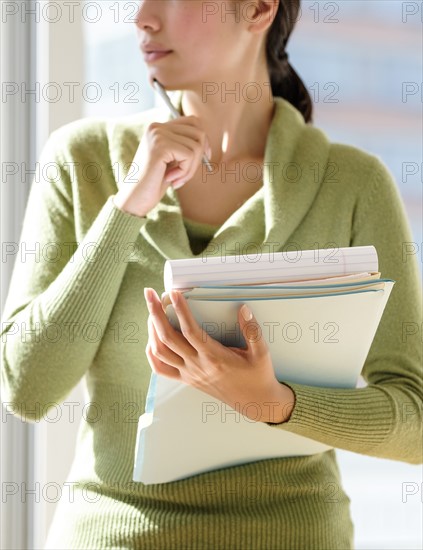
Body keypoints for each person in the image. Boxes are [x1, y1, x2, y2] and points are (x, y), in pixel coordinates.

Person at [1, 1, 421, 548]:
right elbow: (26, 389)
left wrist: (274, 403)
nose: (143, 18)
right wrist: (128, 205)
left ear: (257, 9)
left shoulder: (352, 185)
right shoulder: (82, 160)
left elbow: (414, 418)